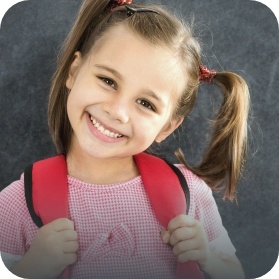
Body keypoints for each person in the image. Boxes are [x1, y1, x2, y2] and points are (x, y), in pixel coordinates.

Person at [0, 0, 250, 278]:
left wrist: (208, 258)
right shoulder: (17, 204)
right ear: (74, 71)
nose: (117, 112)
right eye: (107, 81)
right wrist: (30, 268)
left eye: (145, 103)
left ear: (167, 126)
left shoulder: (191, 194)